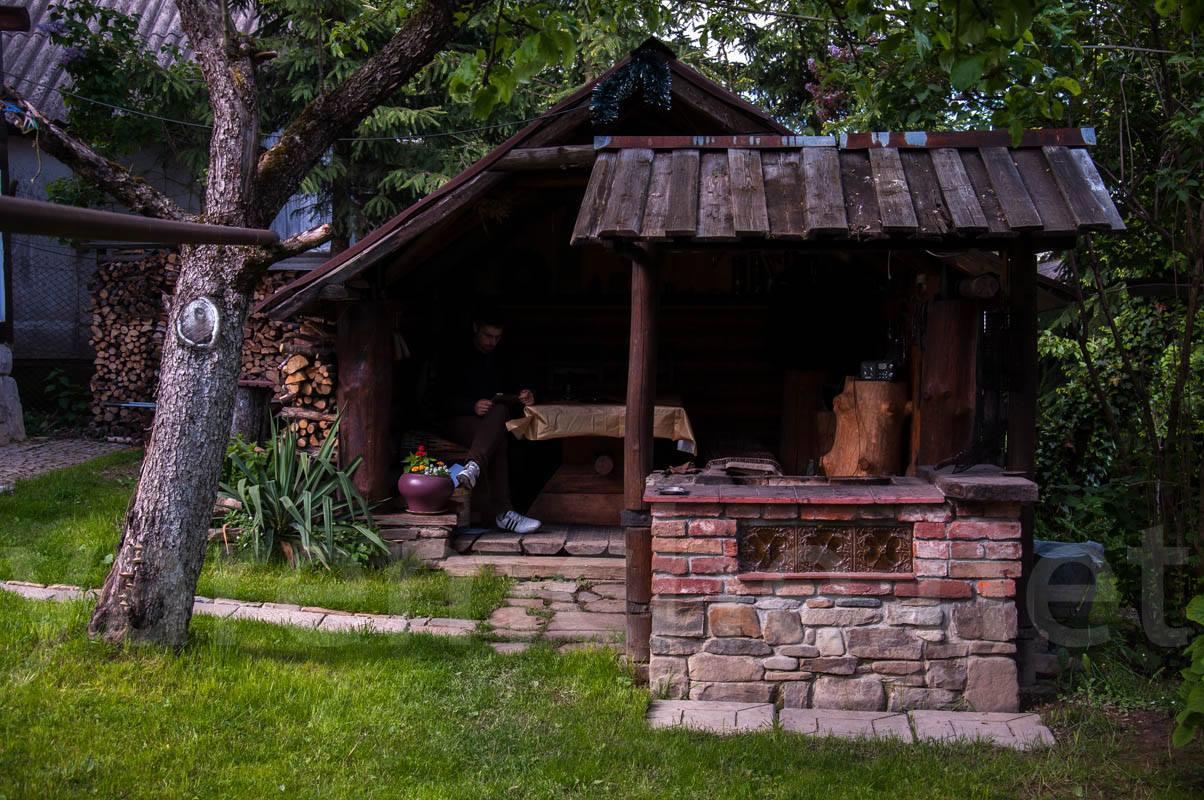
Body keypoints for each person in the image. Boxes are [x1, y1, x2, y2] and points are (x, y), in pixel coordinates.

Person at [437, 309, 542, 534]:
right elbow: (435, 399)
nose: (492, 342)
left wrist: (525, 395)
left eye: (497, 337)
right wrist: (471, 405)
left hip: (486, 425)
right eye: (487, 336)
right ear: (476, 328)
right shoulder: (453, 354)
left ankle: (473, 467)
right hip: (454, 420)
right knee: (498, 433)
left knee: (500, 416)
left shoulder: (502, 356)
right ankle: (503, 512)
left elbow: (513, 387)